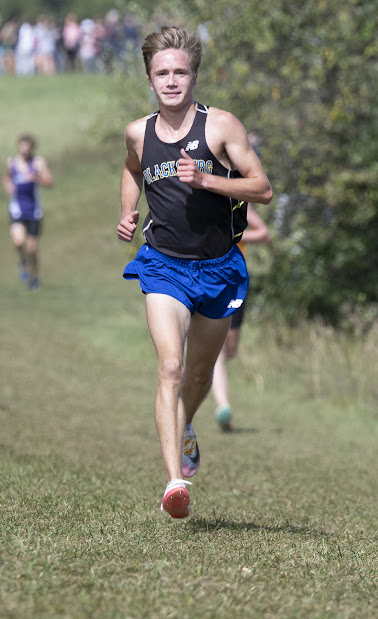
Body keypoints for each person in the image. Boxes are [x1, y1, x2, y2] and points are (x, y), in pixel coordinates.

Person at [117, 26, 272, 519]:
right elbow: (131, 169)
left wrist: (207, 179)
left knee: (201, 372)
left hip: (220, 267)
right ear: (149, 78)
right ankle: (174, 482)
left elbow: (262, 189)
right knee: (170, 365)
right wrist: (128, 210)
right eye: (161, 73)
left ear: (194, 75)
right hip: (163, 264)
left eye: (180, 71)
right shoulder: (138, 132)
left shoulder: (221, 126)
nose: (171, 81)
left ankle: (184, 427)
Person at [212, 204, 271, 430]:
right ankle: (223, 405)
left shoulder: (240, 206)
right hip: (212, 278)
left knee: (230, 350)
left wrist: (235, 232)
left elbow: (263, 233)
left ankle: (203, 370)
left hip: (236, 279)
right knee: (217, 350)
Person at [3, 134, 53, 289]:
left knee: (32, 249)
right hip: (17, 209)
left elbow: (49, 182)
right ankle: (22, 262)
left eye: (27, 146)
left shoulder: (38, 163)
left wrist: (37, 178)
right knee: (18, 241)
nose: (24, 149)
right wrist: (8, 187)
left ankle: (35, 276)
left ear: (32, 147)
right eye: (21, 146)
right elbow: (6, 178)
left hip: (34, 211)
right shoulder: (11, 162)